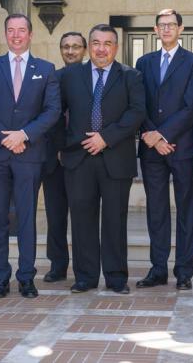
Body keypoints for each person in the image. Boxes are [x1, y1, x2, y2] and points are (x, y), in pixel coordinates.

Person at [0, 13, 60, 299]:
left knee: (26, 216)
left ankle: (26, 277)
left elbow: (52, 111)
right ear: (5, 34)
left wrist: (23, 134)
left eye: (21, 30)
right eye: (11, 30)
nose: (16, 35)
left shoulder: (46, 69)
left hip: (29, 153)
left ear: (31, 34)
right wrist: (5, 137)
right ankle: (0, 278)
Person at [58, 24, 146, 294]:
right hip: (78, 158)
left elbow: (136, 113)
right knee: (82, 220)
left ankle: (116, 277)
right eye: (96, 42)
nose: (101, 48)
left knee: (114, 220)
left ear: (116, 48)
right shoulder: (70, 76)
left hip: (115, 158)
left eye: (107, 43)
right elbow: (56, 112)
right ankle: (85, 277)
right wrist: (64, 144)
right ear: (89, 46)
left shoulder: (131, 76)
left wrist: (105, 137)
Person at [135, 10, 193, 290]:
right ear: (155, 29)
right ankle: (158, 268)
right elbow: (138, 103)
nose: (166, 29)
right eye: (162, 25)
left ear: (180, 29)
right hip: (151, 150)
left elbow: (192, 106)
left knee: (187, 209)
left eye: (171, 25)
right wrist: (151, 135)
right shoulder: (143, 62)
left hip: (182, 147)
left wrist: (162, 134)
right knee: (157, 210)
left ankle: (184, 271)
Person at [41, 31, 87, 283]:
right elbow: (50, 116)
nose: (70, 51)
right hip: (54, 161)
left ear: (85, 50)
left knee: (82, 218)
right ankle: (57, 266)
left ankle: (84, 269)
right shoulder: (52, 78)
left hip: (82, 158)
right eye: (65, 47)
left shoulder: (92, 79)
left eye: (76, 47)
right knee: (55, 216)